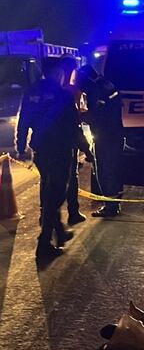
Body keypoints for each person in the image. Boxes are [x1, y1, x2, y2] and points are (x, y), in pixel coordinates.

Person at [14, 58, 84, 258]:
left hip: (41, 150)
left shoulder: (32, 91)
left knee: (49, 190)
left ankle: (59, 232)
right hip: (60, 150)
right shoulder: (62, 95)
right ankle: (44, 243)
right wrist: (85, 149)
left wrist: (21, 146)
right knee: (57, 194)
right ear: (56, 72)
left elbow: (23, 120)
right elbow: (73, 127)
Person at [76, 65, 124, 217]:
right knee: (113, 170)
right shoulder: (106, 85)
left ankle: (111, 206)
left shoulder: (96, 91)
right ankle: (114, 202)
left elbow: (98, 116)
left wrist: (79, 116)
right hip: (114, 134)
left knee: (104, 171)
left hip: (105, 136)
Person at [60, 55, 92, 225]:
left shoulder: (49, 87)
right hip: (68, 140)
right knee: (71, 177)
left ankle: (47, 214)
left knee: (48, 180)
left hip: (48, 143)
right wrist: (87, 150)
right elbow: (76, 120)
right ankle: (72, 212)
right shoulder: (71, 90)